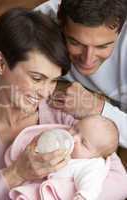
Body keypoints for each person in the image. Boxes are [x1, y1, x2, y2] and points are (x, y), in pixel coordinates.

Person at [0, 6, 126, 200]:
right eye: (37, 78)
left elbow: (120, 182)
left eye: (54, 80)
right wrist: (15, 174)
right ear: (0, 63)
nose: (46, 92)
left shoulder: (62, 115)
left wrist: (56, 192)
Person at [35, 0, 127, 152]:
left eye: (102, 46)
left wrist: (96, 107)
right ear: (60, 21)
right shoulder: (42, 20)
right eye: (75, 42)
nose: (88, 59)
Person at [5, 115, 118, 200]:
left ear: (97, 155)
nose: (73, 138)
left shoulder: (92, 165)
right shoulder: (61, 142)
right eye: (75, 129)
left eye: (83, 142)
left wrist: (82, 196)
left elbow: (91, 185)